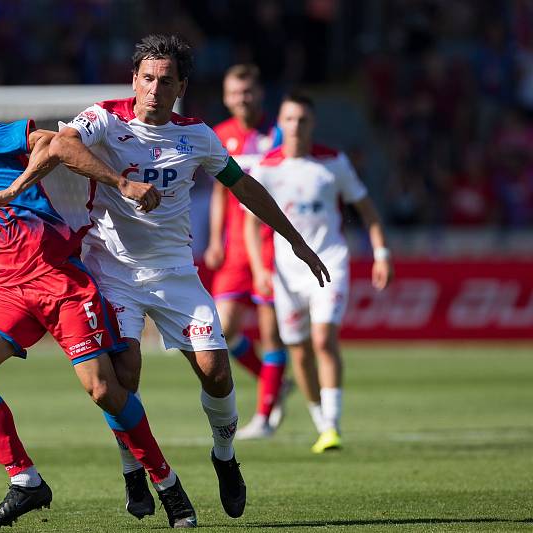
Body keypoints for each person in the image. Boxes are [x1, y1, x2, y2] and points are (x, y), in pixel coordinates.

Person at [46, 35, 329, 522]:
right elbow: (63, 145)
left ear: (181, 86)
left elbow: (244, 186)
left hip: (176, 271)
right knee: (125, 373)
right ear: (134, 80)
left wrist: (295, 239)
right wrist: (120, 182)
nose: (155, 89)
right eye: (148, 78)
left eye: (166, 80)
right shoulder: (105, 118)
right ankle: (132, 469)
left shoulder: (197, 135)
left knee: (217, 373)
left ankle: (224, 458)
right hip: (112, 270)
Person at [0, 98, 195, 529]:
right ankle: (25, 480)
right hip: (9, 292)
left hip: (57, 278)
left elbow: (51, 143)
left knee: (104, 389)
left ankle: (166, 483)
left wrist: (17, 187)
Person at [246, 92, 393, 454]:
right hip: (285, 272)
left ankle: (332, 424)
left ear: (313, 124)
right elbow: (250, 224)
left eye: (303, 120)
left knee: (324, 339)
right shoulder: (266, 167)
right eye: (290, 119)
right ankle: (319, 421)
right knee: (297, 352)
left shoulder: (333, 162)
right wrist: (258, 268)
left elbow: (368, 211)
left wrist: (381, 254)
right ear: (280, 123)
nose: (296, 126)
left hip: (330, 262)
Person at [204, 64, 291, 439]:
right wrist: (213, 240)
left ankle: (266, 417)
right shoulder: (221, 135)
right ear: (226, 97)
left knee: (272, 333)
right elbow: (221, 193)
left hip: (272, 245)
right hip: (237, 247)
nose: (243, 98)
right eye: (236, 92)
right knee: (221, 331)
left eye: (248, 91)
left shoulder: (279, 134)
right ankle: (275, 381)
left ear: (260, 93)